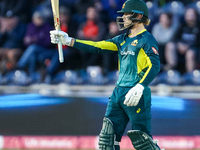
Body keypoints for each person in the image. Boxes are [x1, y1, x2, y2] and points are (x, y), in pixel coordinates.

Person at [50, 0, 164, 149]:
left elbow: (155, 66)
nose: (123, 18)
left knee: (142, 141)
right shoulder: (122, 39)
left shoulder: (147, 39)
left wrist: (140, 86)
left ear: (138, 15)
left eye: (126, 14)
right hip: (118, 92)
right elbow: (97, 46)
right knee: (107, 140)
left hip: (136, 94)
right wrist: (69, 40)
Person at [165, 8, 200, 73]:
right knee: (170, 45)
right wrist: (179, 45)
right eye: (188, 15)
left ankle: (190, 74)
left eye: (191, 15)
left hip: (193, 50)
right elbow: (174, 38)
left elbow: (198, 43)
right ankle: (171, 69)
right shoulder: (182, 25)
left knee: (190, 53)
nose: (189, 17)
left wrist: (188, 47)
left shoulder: (198, 27)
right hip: (180, 47)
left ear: (196, 16)